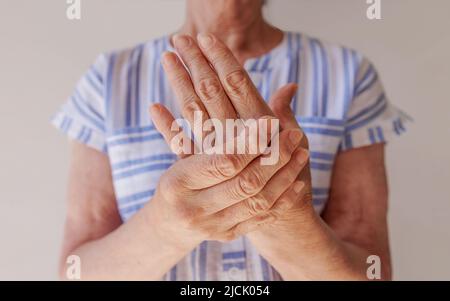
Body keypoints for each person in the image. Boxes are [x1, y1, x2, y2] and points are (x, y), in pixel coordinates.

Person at [52, 0, 408, 280]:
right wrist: (167, 223)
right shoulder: (109, 80)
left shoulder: (348, 75)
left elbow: (371, 274)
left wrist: (283, 214)